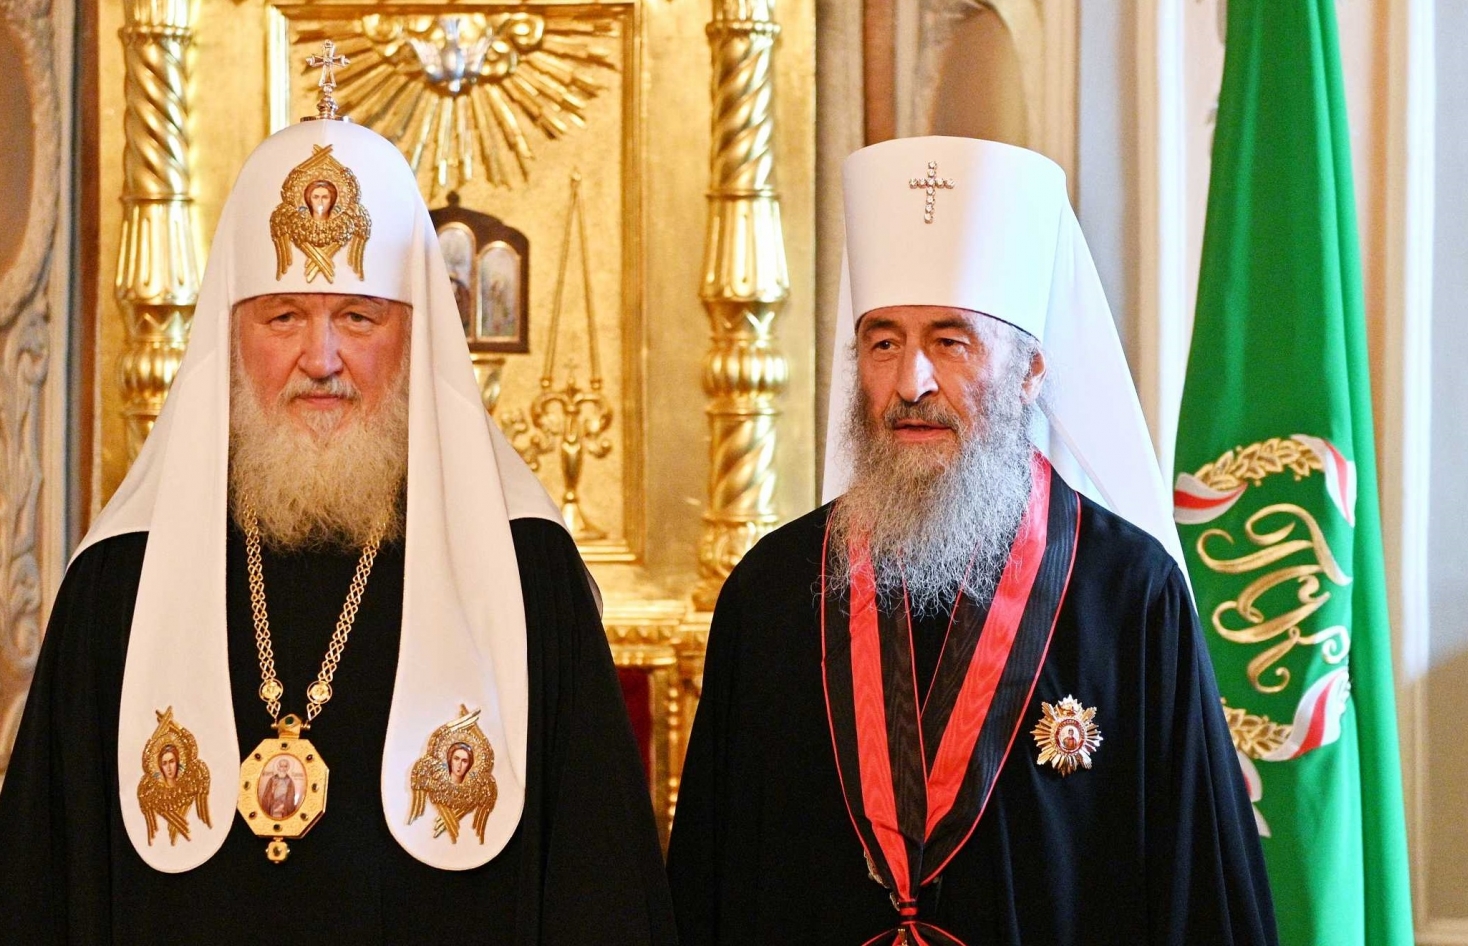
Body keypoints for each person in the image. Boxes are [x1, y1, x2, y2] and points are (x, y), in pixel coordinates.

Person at [0, 80, 674, 944]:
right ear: (230, 336)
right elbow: (45, 890)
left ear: (416, 337)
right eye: (284, 316)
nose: (321, 358)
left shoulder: (522, 571)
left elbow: (596, 888)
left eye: (357, 317)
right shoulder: (119, 584)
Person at [667, 137, 1277, 945]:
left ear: (1030, 373)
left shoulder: (1130, 595)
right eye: (884, 343)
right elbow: (708, 892)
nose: (911, 383)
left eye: (949, 343)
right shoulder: (772, 592)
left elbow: (1197, 896)